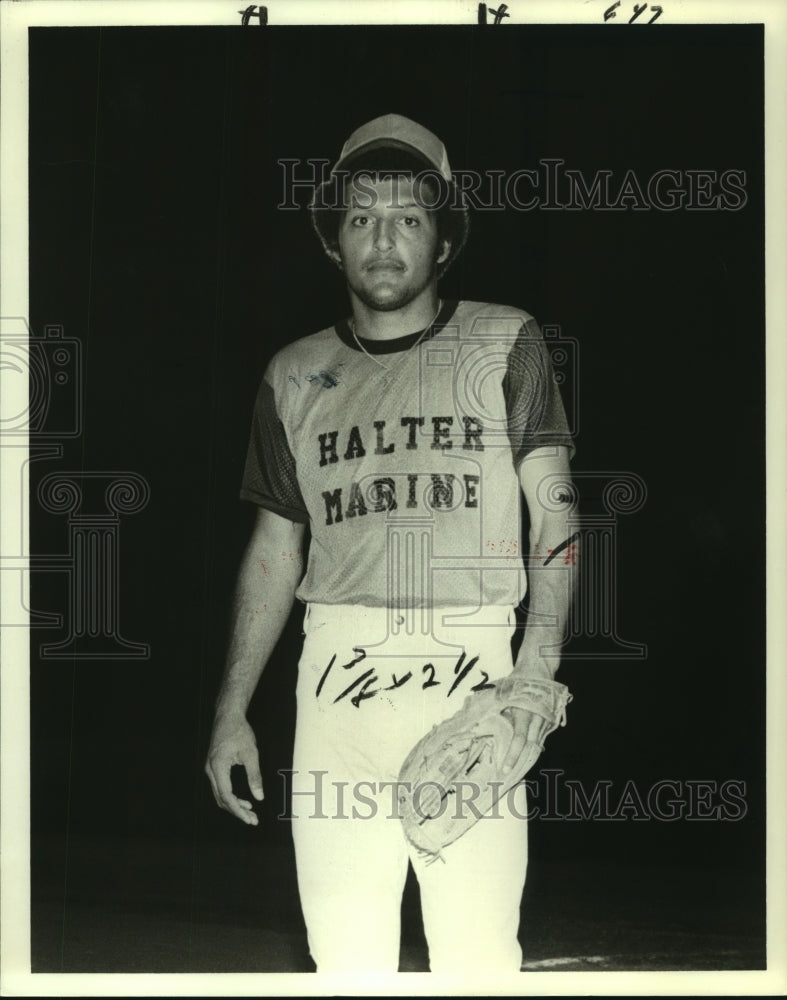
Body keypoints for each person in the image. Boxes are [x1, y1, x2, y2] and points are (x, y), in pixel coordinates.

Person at [205, 113, 578, 974]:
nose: (383, 239)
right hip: (336, 683)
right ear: (331, 241)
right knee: (343, 960)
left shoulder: (504, 340)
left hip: (472, 671)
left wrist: (535, 669)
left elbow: (555, 516)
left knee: (478, 957)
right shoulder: (292, 373)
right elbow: (272, 551)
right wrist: (230, 713)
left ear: (443, 240)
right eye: (361, 216)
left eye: (409, 218)